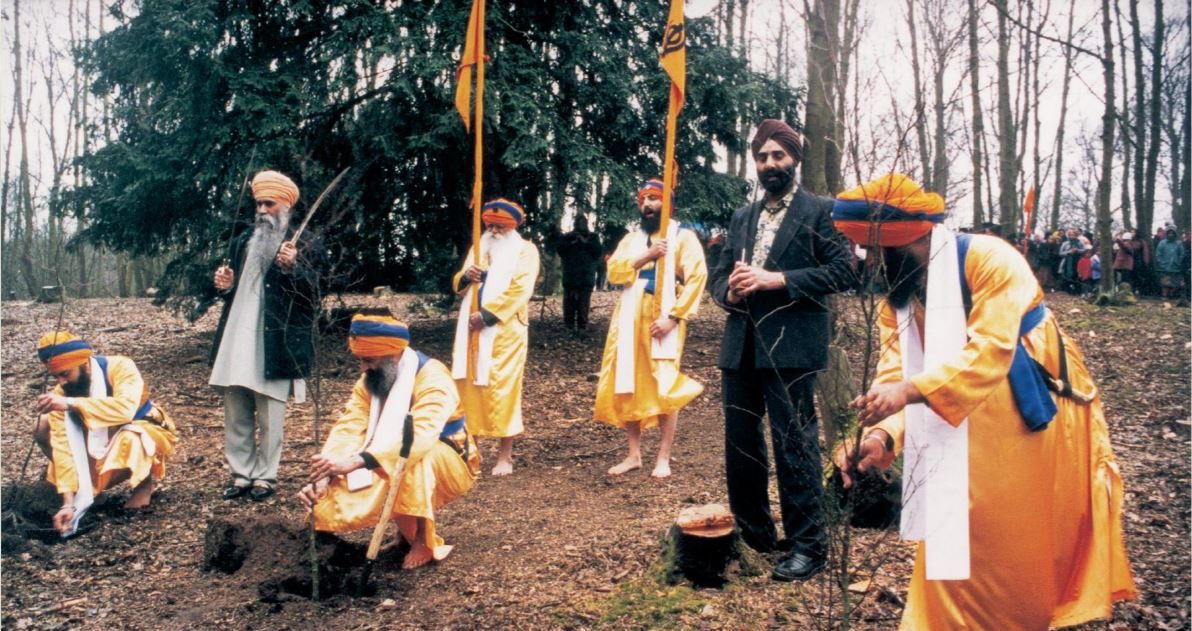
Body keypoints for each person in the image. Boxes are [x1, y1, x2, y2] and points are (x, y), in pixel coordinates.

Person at [832, 173, 1135, 630]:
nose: (866, 258)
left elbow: (991, 349)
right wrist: (882, 434)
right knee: (950, 528)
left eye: (871, 247)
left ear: (901, 238)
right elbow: (896, 370)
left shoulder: (991, 258)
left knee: (1009, 537)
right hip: (947, 411)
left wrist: (908, 393)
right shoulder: (898, 294)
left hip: (1024, 407)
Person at [708, 119, 856, 581]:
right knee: (741, 445)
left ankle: (809, 545)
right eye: (762, 157)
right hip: (741, 345)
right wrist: (729, 292)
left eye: (778, 155)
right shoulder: (742, 217)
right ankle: (756, 537)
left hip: (792, 345)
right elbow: (718, 277)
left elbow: (843, 271)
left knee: (794, 443)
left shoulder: (822, 211)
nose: (769, 164)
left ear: (795, 159)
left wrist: (779, 280)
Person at [298, 315, 479, 569]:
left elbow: (422, 434)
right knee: (354, 463)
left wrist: (359, 461)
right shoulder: (371, 379)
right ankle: (403, 535)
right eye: (360, 360)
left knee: (409, 458)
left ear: (393, 356)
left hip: (449, 455)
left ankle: (423, 539)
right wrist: (326, 471)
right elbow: (350, 425)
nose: (362, 369)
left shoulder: (433, 376)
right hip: (392, 448)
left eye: (368, 360)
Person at [209, 170, 321, 502]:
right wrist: (224, 285)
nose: (261, 210)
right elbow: (232, 291)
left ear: (286, 205)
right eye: (258, 203)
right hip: (236, 335)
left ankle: (265, 477)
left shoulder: (306, 242)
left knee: (271, 411)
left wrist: (294, 267)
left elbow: (316, 293)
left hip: (276, 341)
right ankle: (241, 474)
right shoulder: (242, 240)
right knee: (235, 407)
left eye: (268, 203)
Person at [593, 179, 708, 479]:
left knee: (665, 383)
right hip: (629, 315)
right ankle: (633, 454)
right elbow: (614, 272)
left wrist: (674, 317)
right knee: (627, 379)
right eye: (643, 199)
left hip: (663, 317)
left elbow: (697, 278)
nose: (647, 204)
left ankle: (663, 457)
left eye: (654, 198)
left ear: (667, 203)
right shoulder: (632, 239)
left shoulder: (683, 237)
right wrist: (646, 256)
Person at [33, 332, 177, 536]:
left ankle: (145, 484)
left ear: (83, 363)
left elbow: (125, 410)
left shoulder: (120, 367)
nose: (61, 382)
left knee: (133, 437)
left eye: (65, 374)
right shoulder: (62, 393)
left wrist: (72, 404)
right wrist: (69, 503)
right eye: (56, 376)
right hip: (96, 437)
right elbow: (64, 448)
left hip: (139, 426)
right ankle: (90, 490)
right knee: (42, 425)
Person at [451, 198, 541, 476]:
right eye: (489, 225)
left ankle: (505, 456)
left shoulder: (526, 250)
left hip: (505, 330)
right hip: (471, 328)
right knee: (469, 387)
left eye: (499, 227)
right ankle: (471, 450)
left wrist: (488, 315)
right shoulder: (479, 247)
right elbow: (458, 285)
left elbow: (521, 289)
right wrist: (466, 276)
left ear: (511, 227)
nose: (493, 231)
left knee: (503, 388)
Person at [555, 215, 603, 333]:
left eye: (583, 223)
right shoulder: (568, 237)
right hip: (570, 275)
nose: (581, 225)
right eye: (579, 223)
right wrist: (573, 242)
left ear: (586, 224)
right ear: (575, 224)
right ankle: (569, 325)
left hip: (586, 275)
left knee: (583, 303)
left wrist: (585, 242)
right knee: (569, 302)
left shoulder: (593, 237)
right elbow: (560, 250)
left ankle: (582, 326)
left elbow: (598, 252)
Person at [1154, 228, 1185, 299]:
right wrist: (1161, 263)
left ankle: (1172, 295)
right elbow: (1158, 254)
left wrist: (1178, 262)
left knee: (1175, 282)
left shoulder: (1178, 243)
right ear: (1167, 234)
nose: (1171, 235)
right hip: (1164, 267)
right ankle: (1164, 295)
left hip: (1175, 267)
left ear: (1175, 234)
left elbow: (1182, 254)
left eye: (1172, 233)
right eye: (1169, 233)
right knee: (1164, 282)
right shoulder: (1162, 243)